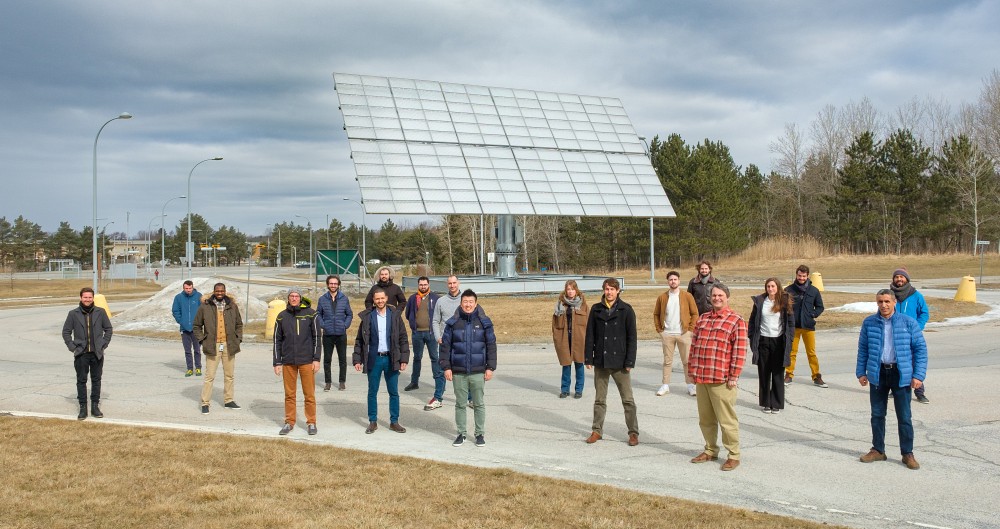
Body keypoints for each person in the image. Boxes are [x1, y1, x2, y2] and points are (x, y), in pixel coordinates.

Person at [857, 289, 928, 470]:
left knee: (904, 416)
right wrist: (861, 372)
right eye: (880, 302)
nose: (884, 305)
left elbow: (920, 349)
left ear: (894, 302)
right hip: (878, 373)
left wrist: (918, 375)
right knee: (877, 415)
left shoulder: (908, 323)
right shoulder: (869, 323)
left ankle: (907, 453)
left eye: (887, 301)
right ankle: (878, 450)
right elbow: (863, 348)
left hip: (900, 374)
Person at [688, 283, 747, 471]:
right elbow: (694, 347)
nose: (717, 298)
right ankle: (710, 450)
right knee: (705, 420)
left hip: (722, 379)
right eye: (714, 295)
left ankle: (733, 455)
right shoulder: (703, 319)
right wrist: (692, 371)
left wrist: (734, 375)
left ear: (727, 297)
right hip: (702, 377)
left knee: (727, 420)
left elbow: (740, 351)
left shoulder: (736, 320)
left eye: (720, 295)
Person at [584, 278, 639, 447]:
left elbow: (632, 338)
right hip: (601, 360)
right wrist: (588, 358)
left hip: (620, 362)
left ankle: (633, 433)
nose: (609, 292)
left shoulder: (626, 310)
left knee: (628, 400)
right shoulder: (596, 309)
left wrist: (630, 361)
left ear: (618, 291)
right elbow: (590, 335)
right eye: (607, 289)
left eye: (612, 289)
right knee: (600, 399)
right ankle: (596, 430)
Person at [440, 289, 497, 447]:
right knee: (460, 404)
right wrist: (446, 367)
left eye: (471, 302)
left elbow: (491, 345)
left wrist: (490, 367)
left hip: (478, 371)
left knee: (478, 403)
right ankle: (461, 434)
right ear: (461, 303)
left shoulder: (484, 322)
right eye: (465, 302)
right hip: (458, 371)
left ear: (476, 303)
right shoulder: (452, 323)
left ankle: (479, 434)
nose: (468, 304)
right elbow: (445, 347)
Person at [353, 288, 410, 434]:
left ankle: (394, 422)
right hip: (374, 359)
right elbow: (360, 340)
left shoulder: (395, 316)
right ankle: (373, 421)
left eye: (382, 298)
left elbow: (403, 338)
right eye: (377, 299)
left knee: (394, 392)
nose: (380, 301)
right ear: (373, 300)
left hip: (391, 359)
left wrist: (404, 358)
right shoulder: (367, 317)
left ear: (386, 299)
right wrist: (357, 359)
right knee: (372, 392)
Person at [273, 288, 322, 435]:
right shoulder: (281, 316)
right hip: (288, 361)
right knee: (289, 394)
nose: (294, 298)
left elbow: (317, 338)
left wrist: (316, 359)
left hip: (307, 360)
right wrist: (277, 362)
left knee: (309, 394)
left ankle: (311, 422)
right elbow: (277, 340)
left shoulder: (311, 313)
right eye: (291, 296)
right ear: (288, 298)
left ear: (300, 298)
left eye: (296, 296)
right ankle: (289, 422)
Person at [62, 287, 113, 420]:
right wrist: (72, 347)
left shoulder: (100, 312)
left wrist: (103, 344)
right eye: (85, 297)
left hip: (97, 353)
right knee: (81, 380)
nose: (87, 299)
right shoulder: (73, 314)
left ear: (93, 298)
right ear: (81, 298)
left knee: (96, 380)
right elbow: (66, 332)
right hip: (81, 353)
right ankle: (83, 407)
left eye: (90, 297)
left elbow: (108, 329)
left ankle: (95, 406)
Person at [193, 282, 243, 414]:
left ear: (225, 291)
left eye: (222, 291)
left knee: (229, 375)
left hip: (229, 345)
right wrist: (203, 340)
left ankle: (228, 400)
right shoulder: (205, 306)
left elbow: (239, 324)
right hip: (212, 345)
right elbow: (196, 326)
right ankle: (205, 403)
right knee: (210, 376)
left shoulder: (232, 306)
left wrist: (238, 339)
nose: (219, 293)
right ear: (214, 291)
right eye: (217, 291)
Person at [748, 278, 794, 414]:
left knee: (778, 373)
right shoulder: (760, 301)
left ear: (778, 287)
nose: (770, 289)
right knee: (764, 373)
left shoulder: (784, 302)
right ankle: (766, 402)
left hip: (779, 341)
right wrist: (751, 335)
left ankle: (776, 403)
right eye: (768, 286)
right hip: (763, 340)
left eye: (773, 286)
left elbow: (791, 323)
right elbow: (752, 321)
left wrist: (790, 338)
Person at [652, 271, 699, 397]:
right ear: (668, 281)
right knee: (667, 361)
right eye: (671, 279)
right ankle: (665, 385)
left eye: (675, 279)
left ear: (679, 281)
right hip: (667, 334)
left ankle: (690, 385)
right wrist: (660, 331)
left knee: (687, 361)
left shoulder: (687, 296)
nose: (673, 281)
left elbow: (695, 313)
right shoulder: (662, 297)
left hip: (684, 333)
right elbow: (656, 314)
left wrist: (690, 330)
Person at [890, 268, 931, 404]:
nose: (899, 279)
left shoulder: (916, 295)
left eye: (902, 277)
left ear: (907, 279)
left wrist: (917, 328)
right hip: (894, 335)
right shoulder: (889, 295)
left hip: (912, 335)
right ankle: (894, 388)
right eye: (897, 277)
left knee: (914, 363)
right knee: (893, 362)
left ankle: (919, 392)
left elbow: (924, 313)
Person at [784, 264, 827, 388]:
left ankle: (816, 376)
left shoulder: (814, 291)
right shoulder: (789, 290)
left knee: (811, 353)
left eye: (803, 276)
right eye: (799, 275)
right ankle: (788, 374)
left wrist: (813, 314)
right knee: (791, 352)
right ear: (796, 275)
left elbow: (820, 307)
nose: (801, 278)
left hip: (808, 326)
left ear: (807, 276)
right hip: (793, 327)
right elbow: (783, 307)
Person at [427, 274, 462, 410]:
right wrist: (438, 336)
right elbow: (435, 320)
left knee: (464, 370)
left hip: (461, 342)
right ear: (447, 285)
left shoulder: (465, 299)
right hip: (445, 342)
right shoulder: (441, 301)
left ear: (458, 283)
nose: (452, 286)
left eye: (454, 283)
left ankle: (470, 398)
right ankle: (438, 398)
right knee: (441, 370)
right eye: (450, 283)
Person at [552, 279, 589, 399]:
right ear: (565, 290)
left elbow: (589, 323)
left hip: (579, 339)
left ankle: (579, 390)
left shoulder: (583, 305)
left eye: (573, 289)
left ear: (576, 290)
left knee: (579, 365)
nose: (570, 291)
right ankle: (565, 390)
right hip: (564, 338)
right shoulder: (561, 304)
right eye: (568, 289)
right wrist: (557, 339)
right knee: (566, 365)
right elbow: (555, 325)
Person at [316, 274, 353, 391]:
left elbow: (349, 314)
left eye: (335, 283)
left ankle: (342, 382)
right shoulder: (322, 299)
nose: (333, 285)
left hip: (341, 333)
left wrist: (345, 325)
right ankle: (328, 382)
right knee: (327, 359)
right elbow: (318, 314)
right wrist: (323, 325)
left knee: (342, 359)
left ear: (338, 285)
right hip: (327, 334)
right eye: (331, 283)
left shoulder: (344, 298)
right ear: (328, 284)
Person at [403, 276, 439, 392]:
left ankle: (438, 382)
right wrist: (414, 325)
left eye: (425, 284)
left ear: (429, 285)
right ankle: (414, 382)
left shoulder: (435, 298)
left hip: (431, 334)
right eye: (421, 285)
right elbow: (408, 314)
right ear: (418, 285)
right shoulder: (413, 298)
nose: (423, 287)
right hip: (417, 333)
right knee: (417, 357)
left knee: (434, 358)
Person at [171, 280, 203, 377]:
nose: (188, 290)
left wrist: (200, 322)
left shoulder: (198, 296)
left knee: (197, 350)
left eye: (190, 288)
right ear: (183, 288)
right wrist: (181, 321)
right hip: (184, 329)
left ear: (193, 287)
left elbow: (203, 310)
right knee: (187, 350)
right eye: (186, 288)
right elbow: (175, 311)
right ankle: (189, 369)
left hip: (196, 329)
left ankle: (198, 368)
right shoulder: (178, 298)